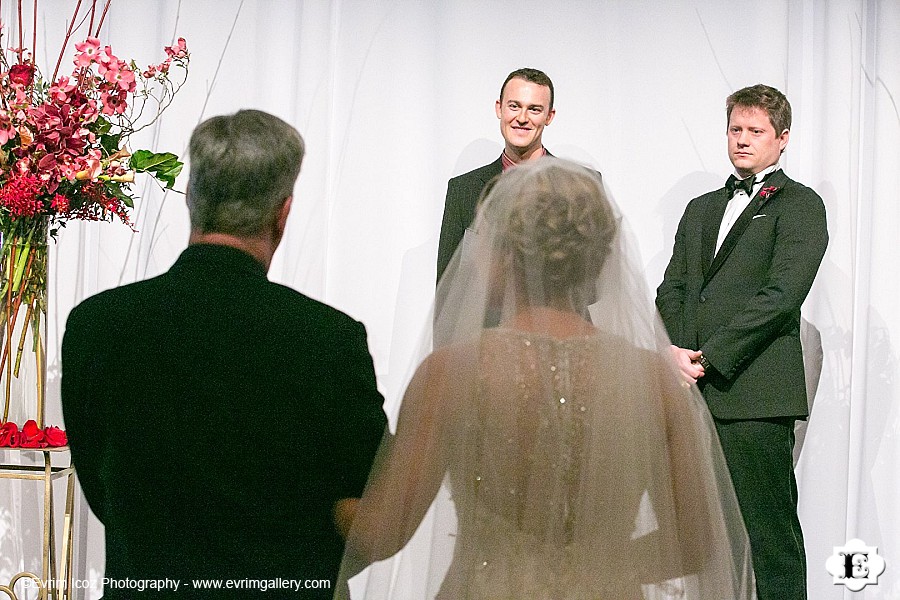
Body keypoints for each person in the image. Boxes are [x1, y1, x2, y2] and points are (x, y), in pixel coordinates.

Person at [335, 159, 754, 599]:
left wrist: (306, 496)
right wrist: (590, 564)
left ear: (500, 256)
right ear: (599, 261)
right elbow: (697, 543)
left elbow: (380, 534)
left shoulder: (450, 374)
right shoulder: (653, 381)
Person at [61, 109, 388, 598]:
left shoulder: (96, 325)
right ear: (283, 212)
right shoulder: (327, 339)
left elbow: (103, 495)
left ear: (191, 198)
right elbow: (363, 521)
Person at [656, 84, 828, 600]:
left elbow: (780, 298)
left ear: (783, 139)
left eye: (756, 132)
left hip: (753, 396)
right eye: (736, 130)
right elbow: (674, 288)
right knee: (695, 540)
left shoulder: (801, 205)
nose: (743, 141)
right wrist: (674, 352)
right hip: (690, 394)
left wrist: (711, 357)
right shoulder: (700, 207)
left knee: (769, 537)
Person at [436, 67, 558, 282]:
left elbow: (595, 284)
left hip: (559, 316)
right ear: (499, 108)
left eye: (534, 109)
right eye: (514, 106)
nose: (522, 118)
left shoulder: (584, 185)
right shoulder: (463, 189)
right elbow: (447, 288)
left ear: (549, 116)